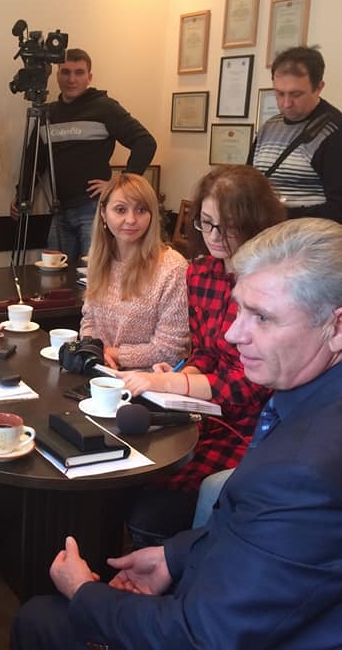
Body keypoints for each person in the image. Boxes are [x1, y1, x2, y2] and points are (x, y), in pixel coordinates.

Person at [12, 218, 342, 650]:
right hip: (311, 611)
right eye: (240, 308)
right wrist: (175, 557)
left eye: (262, 317)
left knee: (40, 618)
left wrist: (85, 594)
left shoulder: (308, 471)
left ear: (339, 327)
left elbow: (200, 637)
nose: (232, 333)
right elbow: (273, 541)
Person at [118, 165, 286, 543]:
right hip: (207, 414)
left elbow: (252, 385)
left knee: (154, 507)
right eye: (206, 223)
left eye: (228, 227)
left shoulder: (272, 285)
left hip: (255, 426)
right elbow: (208, 353)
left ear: (256, 224)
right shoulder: (201, 273)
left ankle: (179, 564)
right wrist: (184, 373)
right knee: (128, 472)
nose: (213, 236)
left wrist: (171, 383)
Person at [15, 48, 157, 261]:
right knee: (54, 274)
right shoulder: (48, 113)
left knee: (93, 274)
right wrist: (22, 196)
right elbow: (34, 160)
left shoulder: (105, 108)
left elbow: (145, 143)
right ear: (57, 75)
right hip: (59, 210)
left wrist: (119, 186)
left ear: (89, 77)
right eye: (65, 72)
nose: (72, 79)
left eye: (79, 72)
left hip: (93, 210)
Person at [80, 172, 188, 370]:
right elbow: (89, 321)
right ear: (103, 213)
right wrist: (93, 349)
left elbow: (170, 350)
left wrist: (111, 354)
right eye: (120, 210)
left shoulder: (173, 268)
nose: (131, 219)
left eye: (141, 210)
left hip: (148, 379)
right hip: (100, 370)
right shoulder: (99, 259)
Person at [250, 45, 342, 223]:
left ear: (318, 87)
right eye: (279, 93)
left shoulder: (339, 133)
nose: (286, 103)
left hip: (307, 239)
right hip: (266, 235)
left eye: (296, 94)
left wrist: (277, 215)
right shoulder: (269, 127)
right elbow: (249, 182)